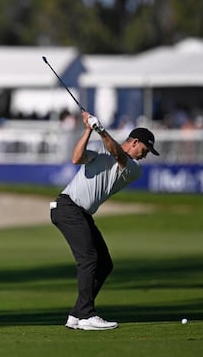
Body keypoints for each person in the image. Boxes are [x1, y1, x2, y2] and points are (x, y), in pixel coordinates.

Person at [50, 111, 159, 331]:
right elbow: (76, 158)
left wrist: (100, 129)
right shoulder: (103, 149)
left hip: (81, 213)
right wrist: (89, 129)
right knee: (90, 258)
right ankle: (87, 316)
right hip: (68, 207)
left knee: (104, 263)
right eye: (145, 150)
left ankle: (77, 314)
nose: (144, 156)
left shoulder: (133, 168)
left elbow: (118, 153)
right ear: (135, 142)